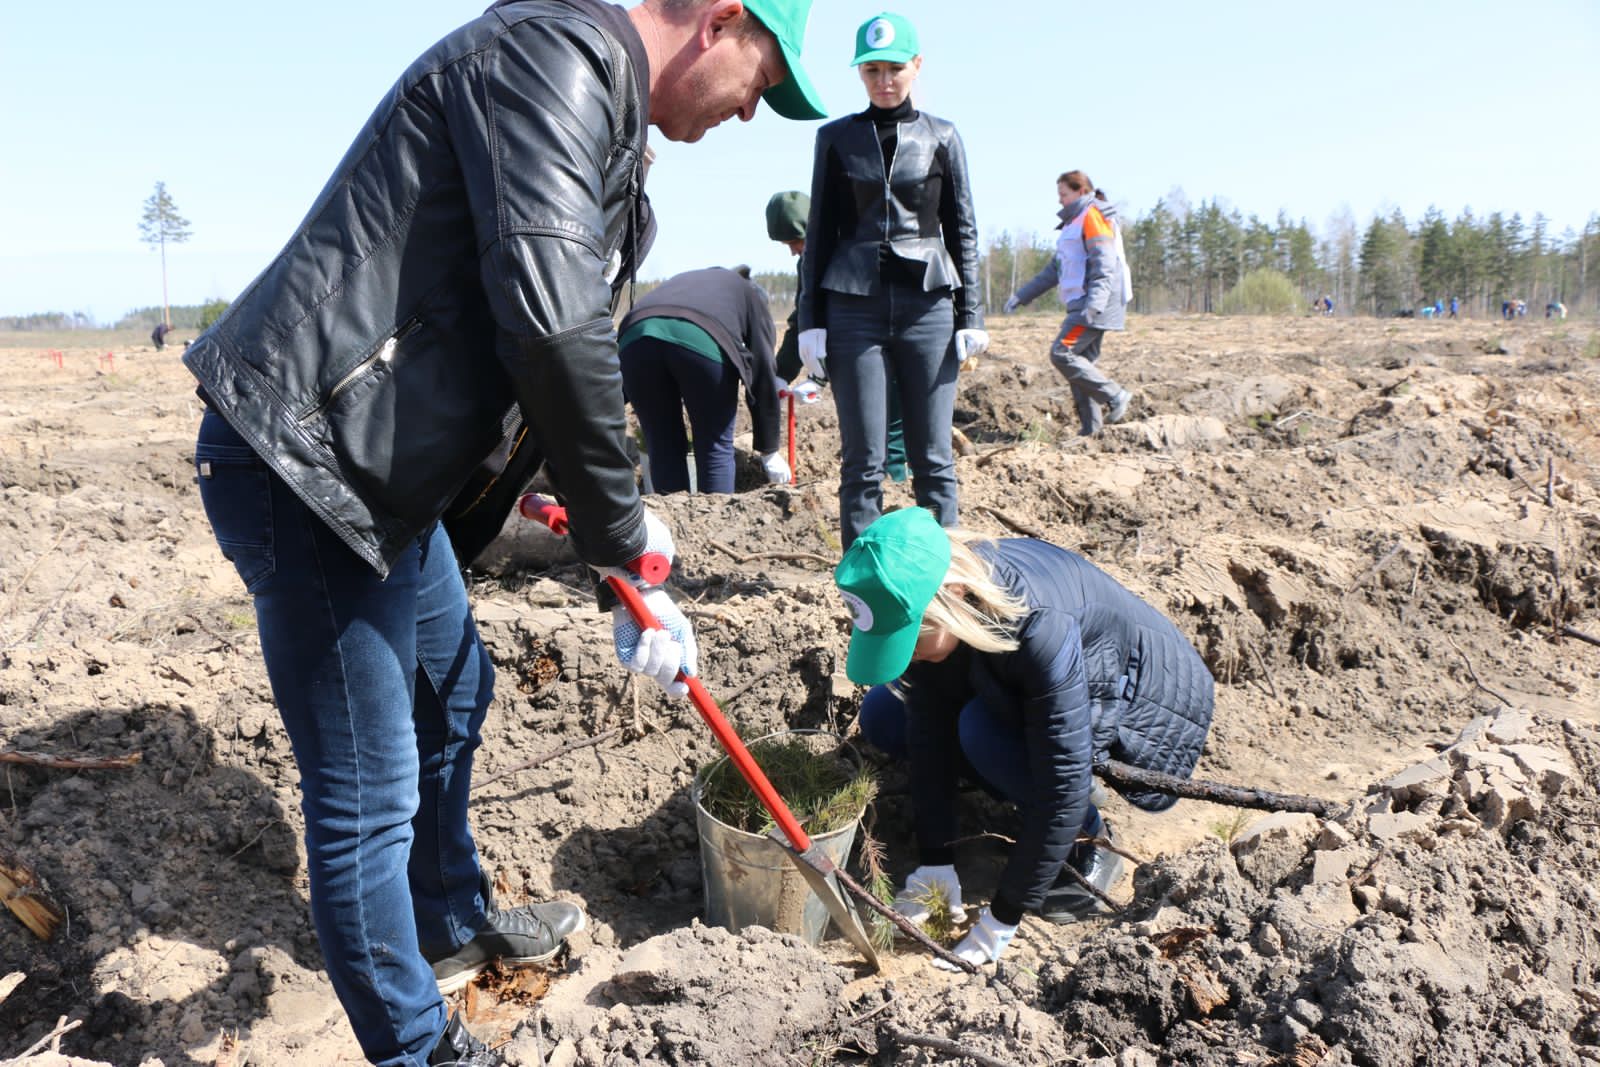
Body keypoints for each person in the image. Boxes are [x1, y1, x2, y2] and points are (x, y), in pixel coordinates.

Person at [181, 2, 825, 1064]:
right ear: (720, 21)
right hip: (310, 464)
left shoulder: (601, 114)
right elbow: (553, 323)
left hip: (382, 475)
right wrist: (619, 537)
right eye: (763, 80)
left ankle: (446, 914)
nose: (752, 112)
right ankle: (417, 1048)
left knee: (457, 685)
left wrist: (615, 559)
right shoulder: (548, 61)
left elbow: (543, 355)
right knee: (366, 796)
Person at [835, 507, 1215, 968]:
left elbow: (1064, 778)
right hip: (1014, 672)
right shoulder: (948, 603)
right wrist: (936, 860)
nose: (908, 653)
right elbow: (928, 726)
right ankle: (1013, 789)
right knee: (884, 712)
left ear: (953, 595)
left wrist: (1002, 915)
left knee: (980, 732)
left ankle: (1088, 837)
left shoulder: (1040, 626)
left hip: (1133, 690)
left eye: (911, 638)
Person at [796, 11, 986, 549]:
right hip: (853, 309)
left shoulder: (942, 136)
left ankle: (947, 575)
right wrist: (810, 319)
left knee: (933, 458)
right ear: (860, 73)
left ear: (916, 66)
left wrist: (971, 314)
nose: (884, 80)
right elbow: (819, 232)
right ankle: (860, 578)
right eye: (872, 70)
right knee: (863, 459)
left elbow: (962, 229)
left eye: (894, 68)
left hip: (929, 308)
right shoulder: (836, 139)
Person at [765, 189, 904, 479]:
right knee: (862, 435)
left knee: (891, 432)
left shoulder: (855, 250)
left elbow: (851, 319)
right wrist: (782, 373)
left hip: (890, 345)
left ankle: (898, 491)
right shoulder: (808, 264)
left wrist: (819, 376)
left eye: (794, 242)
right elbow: (803, 320)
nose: (793, 251)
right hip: (854, 358)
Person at [617, 265, 789, 492]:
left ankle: (672, 514)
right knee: (715, 447)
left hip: (634, 339)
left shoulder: (692, 282)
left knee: (662, 444)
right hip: (700, 336)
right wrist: (769, 450)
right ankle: (715, 516)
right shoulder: (750, 297)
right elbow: (762, 368)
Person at [1004, 170, 1133, 437]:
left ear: (1081, 191)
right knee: (1079, 366)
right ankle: (1091, 431)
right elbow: (1054, 270)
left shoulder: (1093, 216)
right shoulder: (1073, 223)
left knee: (1062, 353)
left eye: (1064, 194)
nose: (1060, 200)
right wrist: (1021, 296)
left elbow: (1105, 263)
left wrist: (1094, 304)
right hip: (1083, 303)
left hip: (1093, 305)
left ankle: (1115, 395)